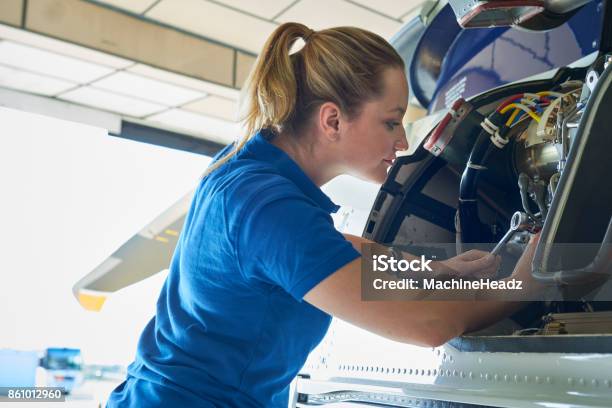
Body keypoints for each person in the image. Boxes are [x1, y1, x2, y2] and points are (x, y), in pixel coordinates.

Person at [107, 22, 538, 407]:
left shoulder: (245, 172)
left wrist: (432, 269)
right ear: (332, 120)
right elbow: (424, 326)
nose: (404, 141)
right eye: (391, 122)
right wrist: (523, 285)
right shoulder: (267, 207)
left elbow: (332, 251)